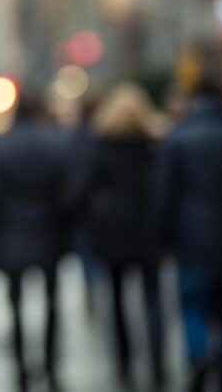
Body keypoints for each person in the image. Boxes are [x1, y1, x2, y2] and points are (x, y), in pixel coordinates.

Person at [157, 63, 222, 392]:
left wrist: (164, 238)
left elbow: (165, 195)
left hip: (192, 239)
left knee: (193, 306)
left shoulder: (180, 135)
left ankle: (199, 355)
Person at [0, 91, 71, 392]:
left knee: (15, 305)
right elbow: (67, 192)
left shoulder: (0, 147)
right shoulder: (55, 145)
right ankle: (50, 365)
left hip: (11, 234)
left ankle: (20, 367)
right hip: (48, 232)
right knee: (51, 302)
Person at [81, 82, 165, 388]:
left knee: (116, 301)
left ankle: (124, 362)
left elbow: (88, 191)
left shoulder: (100, 148)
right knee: (153, 298)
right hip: (147, 230)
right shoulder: (153, 147)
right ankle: (158, 361)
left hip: (113, 231)